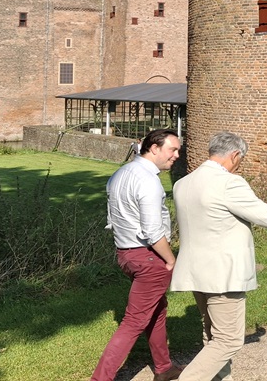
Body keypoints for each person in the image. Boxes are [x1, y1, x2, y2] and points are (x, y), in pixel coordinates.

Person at [170, 131, 267, 381]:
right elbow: (265, 216)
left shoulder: (183, 183)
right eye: (241, 159)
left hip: (195, 272)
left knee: (213, 336)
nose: (240, 165)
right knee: (228, 341)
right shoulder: (228, 183)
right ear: (235, 155)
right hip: (224, 274)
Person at [91, 128, 183, 381]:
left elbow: (113, 220)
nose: (176, 155)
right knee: (133, 322)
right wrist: (171, 258)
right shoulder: (148, 181)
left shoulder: (120, 174)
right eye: (172, 149)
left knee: (157, 309)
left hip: (126, 254)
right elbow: (153, 232)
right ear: (154, 148)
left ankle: (164, 368)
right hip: (148, 257)